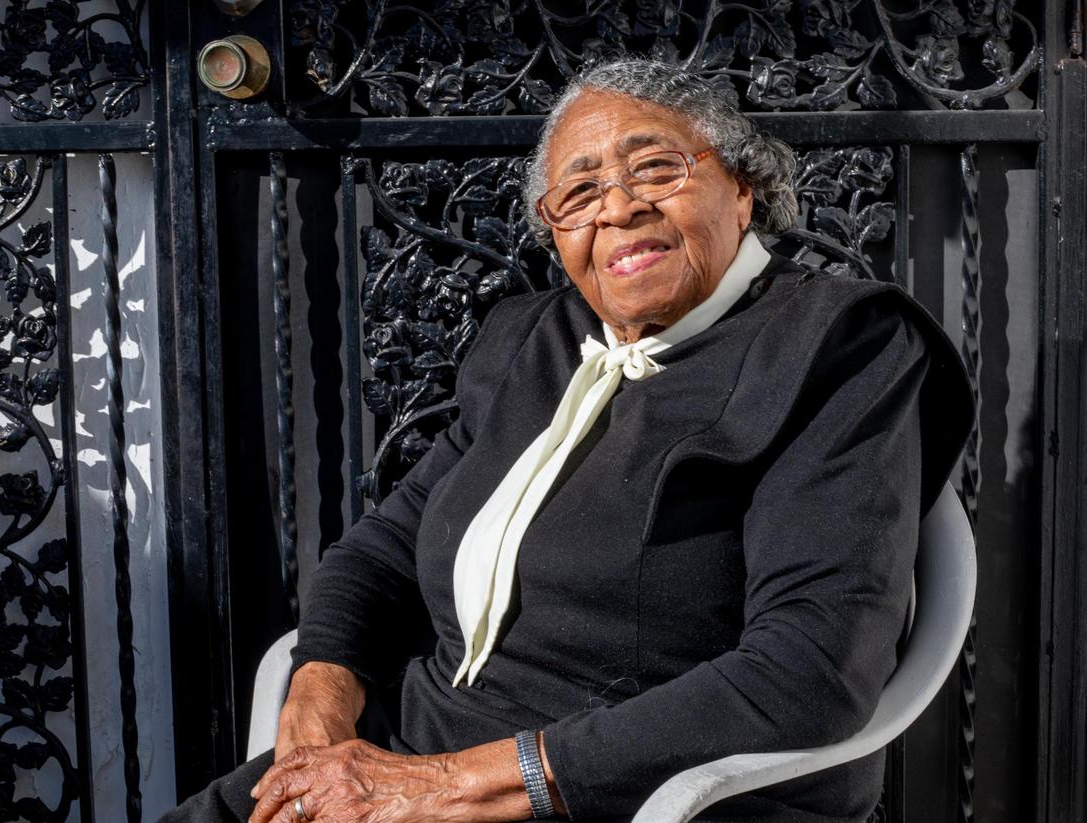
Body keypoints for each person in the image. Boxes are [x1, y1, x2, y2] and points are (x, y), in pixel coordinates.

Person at [163, 59, 972, 823]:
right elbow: (385, 549)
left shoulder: (839, 343)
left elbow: (811, 669)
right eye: (578, 193)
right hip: (404, 758)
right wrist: (317, 706)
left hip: (647, 795)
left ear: (743, 189)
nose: (617, 207)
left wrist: (453, 787)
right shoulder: (532, 341)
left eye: (655, 168)